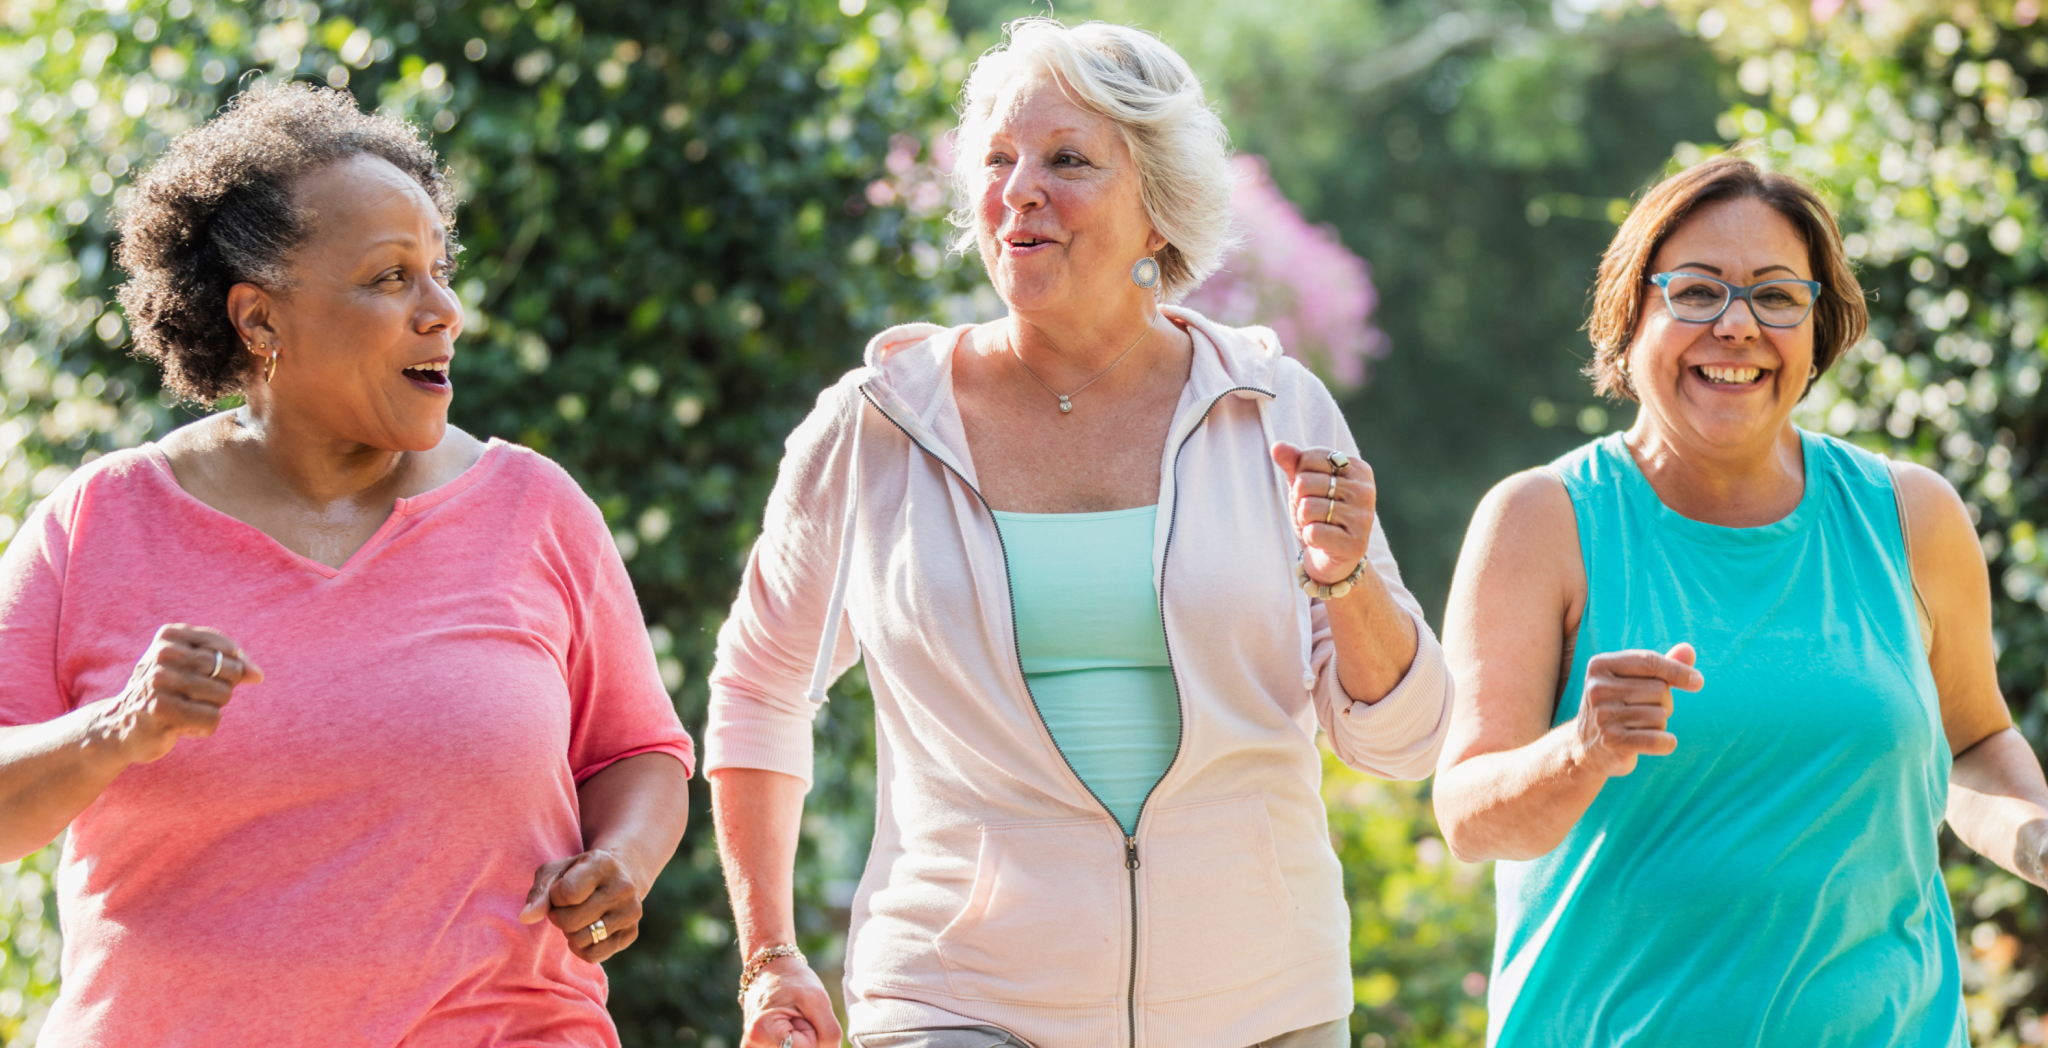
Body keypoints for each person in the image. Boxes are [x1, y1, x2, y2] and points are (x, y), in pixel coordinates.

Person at [707, 18, 1452, 1048]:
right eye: (998, 159)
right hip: (956, 1000)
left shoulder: (1270, 406)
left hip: (1258, 1006)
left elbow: (1399, 738)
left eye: (1066, 160)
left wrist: (1345, 576)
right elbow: (757, 687)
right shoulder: (875, 423)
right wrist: (770, 954)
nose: (1019, 188)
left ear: (1158, 212)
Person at [0, 81, 695, 1046]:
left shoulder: (533, 509)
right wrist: (114, 731)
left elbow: (637, 753)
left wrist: (624, 858)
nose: (442, 310)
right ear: (260, 322)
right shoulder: (99, 522)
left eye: (441, 272)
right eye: (389, 277)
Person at [1434, 154, 2048, 1045]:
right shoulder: (1542, 520)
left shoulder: (1909, 516)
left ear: (1815, 324)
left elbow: (1975, 745)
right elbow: (1467, 817)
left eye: (1774, 295)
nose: (1737, 327)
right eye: (1696, 292)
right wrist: (1583, 749)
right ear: (1630, 312)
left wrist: (2036, 838)